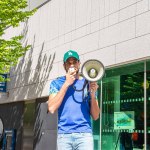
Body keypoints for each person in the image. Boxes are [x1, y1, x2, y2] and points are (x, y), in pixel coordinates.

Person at [48, 50, 100, 150]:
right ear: (64, 66)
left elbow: (96, 116)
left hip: (84, 135)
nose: (72, 65)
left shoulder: (88, 83)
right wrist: (66, 84)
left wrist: (93, 95)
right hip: (64, 135)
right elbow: (51, 108)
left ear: (79, 63)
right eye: (69, 62)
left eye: (74, 62)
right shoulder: (57, 83)